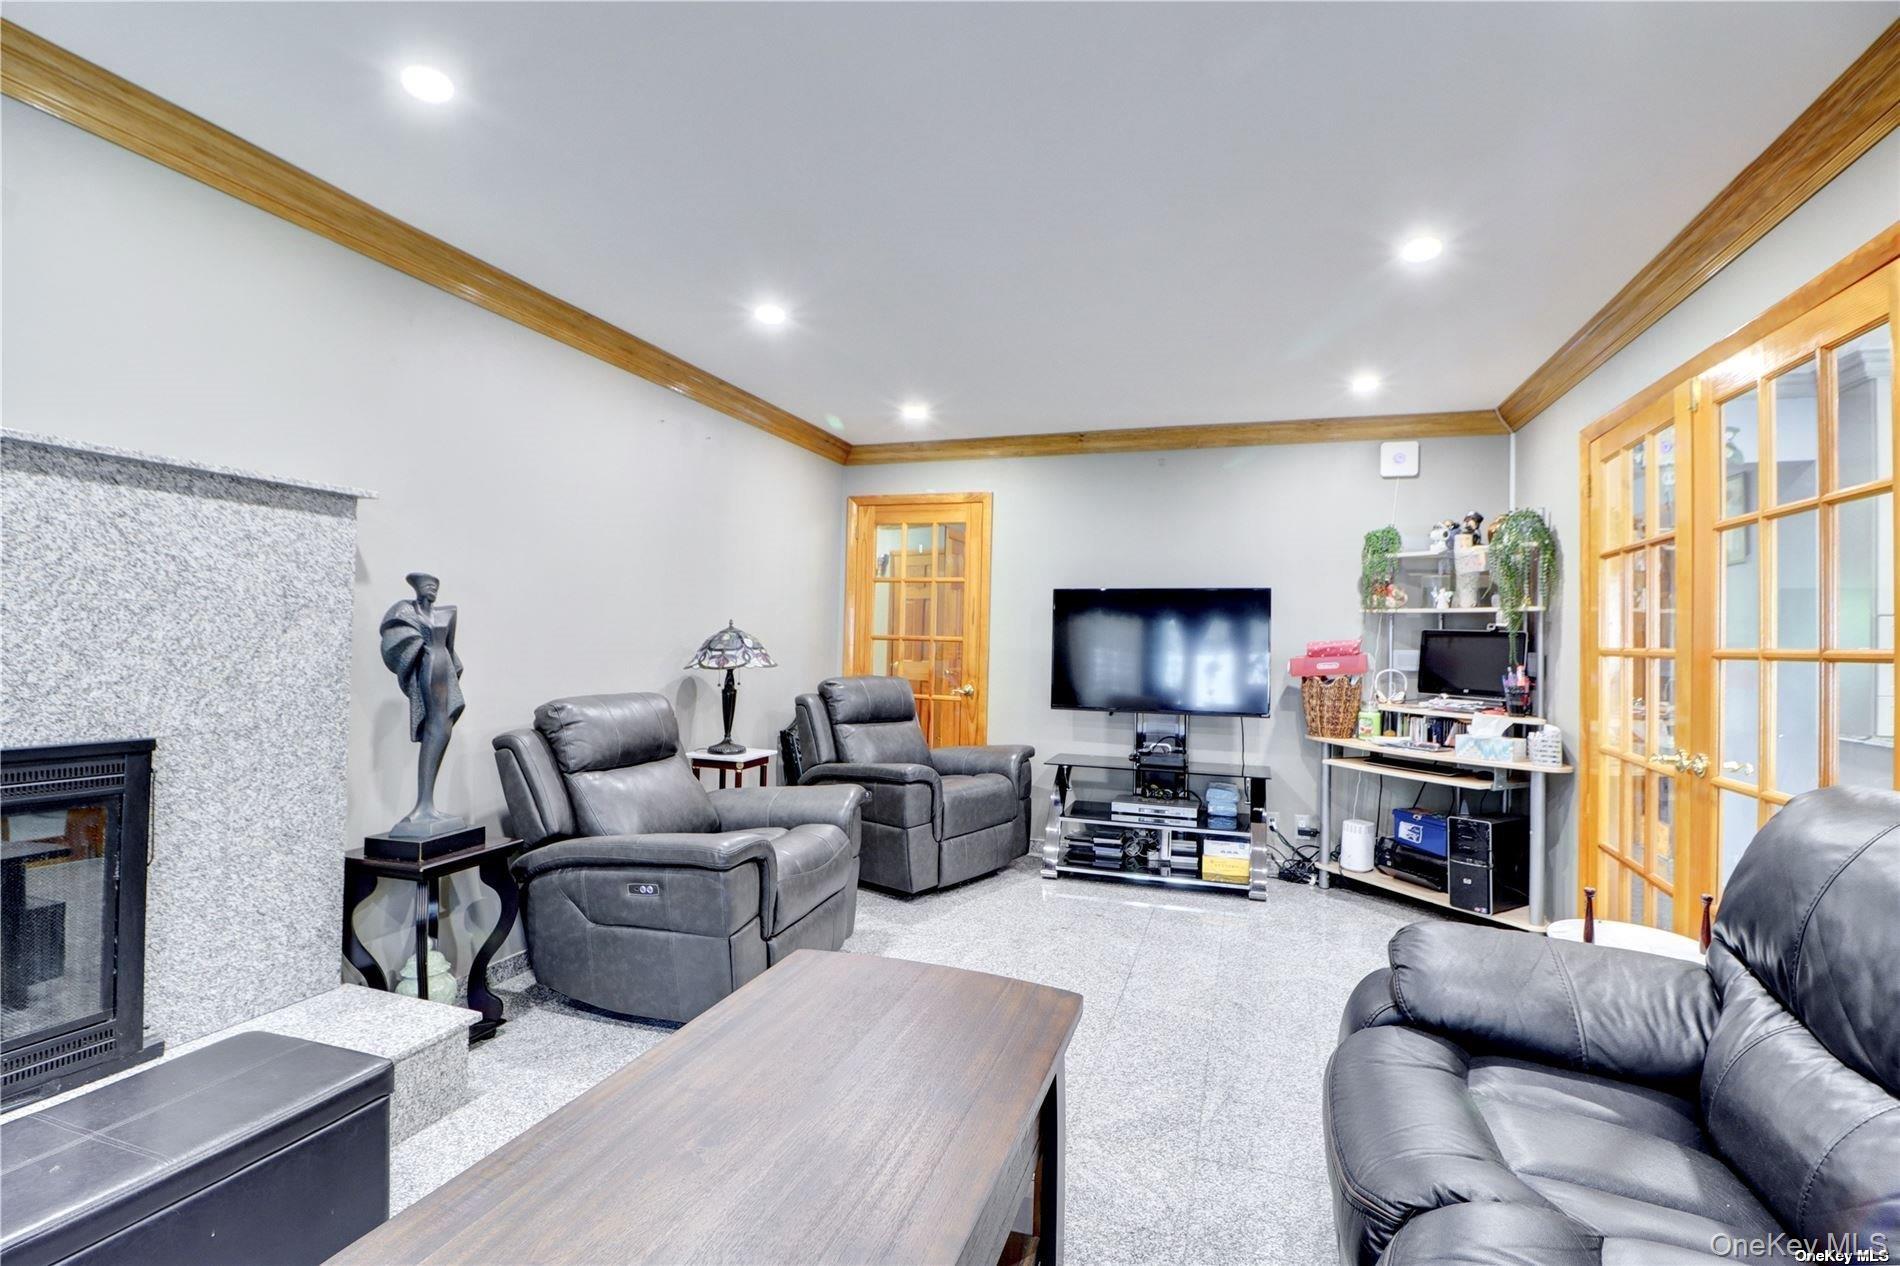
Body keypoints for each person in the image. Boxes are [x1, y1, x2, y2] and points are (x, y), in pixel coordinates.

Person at [379, 572, 466, 838]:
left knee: (444, 730)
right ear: (416, 589)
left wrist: (452, 674)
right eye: (427, 585)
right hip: (427, 666)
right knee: (434, 729)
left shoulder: (448, 613)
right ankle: (422, 805)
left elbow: (450, 649)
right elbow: (394, 640)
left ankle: (428, 804)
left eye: (435, 586)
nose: (432, 589)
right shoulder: (406, 611)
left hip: (443, 668)